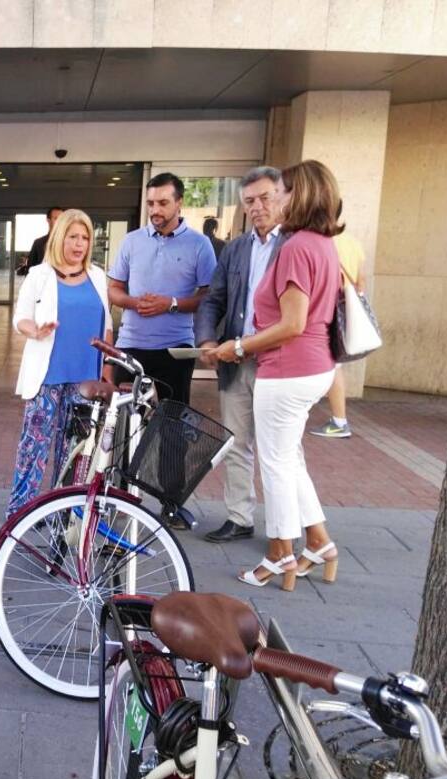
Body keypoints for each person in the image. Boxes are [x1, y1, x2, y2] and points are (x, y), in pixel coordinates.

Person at [210, 159, 341, 591]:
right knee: (290, 459)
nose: (272, 201)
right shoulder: (322, 243)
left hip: (286, 368)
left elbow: (292, 324)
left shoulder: (297, 247)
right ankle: (318, 542)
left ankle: (279, 554)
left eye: (279, 192)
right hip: (312, 367)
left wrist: (239, 347)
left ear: (297, 195)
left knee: (276, 464)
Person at [108, 172, 217, 528]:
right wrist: (136, 303)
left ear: (179, 203)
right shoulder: (132, 241)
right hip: (130, 347)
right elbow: (114, 290)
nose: (155, 210)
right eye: (151, 203)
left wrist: (170, 303)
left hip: (175, 350)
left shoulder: (200, 245)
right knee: (122, 426)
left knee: (173, 427)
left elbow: (209, 297)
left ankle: (171, 503)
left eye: (163, 203)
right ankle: (118, 498)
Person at [196, 166, 288, 544]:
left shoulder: (295, 245)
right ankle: (239, 516)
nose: (257, 207)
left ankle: (285, 528)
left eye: (265, 197)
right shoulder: (236, 249)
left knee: (279, 451)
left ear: (282, 197)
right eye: (249, 201)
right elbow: (213, 300)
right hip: (236, 362)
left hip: (278, 363)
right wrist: (206, 340)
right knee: (236, 442)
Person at [7, 209, 114, 518]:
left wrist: (107, 371)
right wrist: (35, 331)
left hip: (85, 382)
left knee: (73, 454)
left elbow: (107, 325)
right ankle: (19, 516)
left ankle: (63, 518)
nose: (79, 244)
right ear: (59, 238)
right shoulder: (40, 275)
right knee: (33, 450)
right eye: (72, 237)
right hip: (47, 377)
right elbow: (21, 318)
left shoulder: (97, 276)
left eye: (85, 237)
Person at [309, 228, 366, 438]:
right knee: (334, 365)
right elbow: (361, 282)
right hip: (344, 310)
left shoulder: (322, 242)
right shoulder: (352, 242)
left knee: (330, 366)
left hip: (326, 311)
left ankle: (339, 421)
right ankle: (339, 420)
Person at [16, 207, 63, 275]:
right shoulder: (38, 243)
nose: (59, 222)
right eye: (56, 218)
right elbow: (30, 269)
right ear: (48, 220)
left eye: (61, 219)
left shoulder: (69, 243)